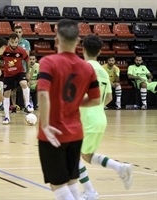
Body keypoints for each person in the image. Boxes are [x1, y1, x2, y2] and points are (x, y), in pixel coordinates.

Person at [37, 19, 101, 200]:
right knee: (72, 182)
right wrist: (74, 103)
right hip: (76, 133)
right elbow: (96, 100)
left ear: (56, 40)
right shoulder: (87, 68)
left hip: (53, 133)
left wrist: (46, 125)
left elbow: (43, 94)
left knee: (58, 186)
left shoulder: (48, 62)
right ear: (78, 42)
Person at [79, 34, 133, 200]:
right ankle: (120, 168)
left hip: (86, 119)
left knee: (71, 158)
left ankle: (90, 192)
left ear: (83, 49)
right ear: (100, 51)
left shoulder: (84, 68)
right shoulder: (103, 71)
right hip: (100, 118)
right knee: (86, 156)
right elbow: (109, 97)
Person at [2, 33, 33, 125]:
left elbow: (27, 61)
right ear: (9, 42)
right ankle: (7, 117)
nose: (14, 44)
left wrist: (27, 72)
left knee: (24, 83)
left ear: (18, 42)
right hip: (8, 74)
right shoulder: (4, 50)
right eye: (12, 42)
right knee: (6, 94)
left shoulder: (21, 50)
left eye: (16, 42)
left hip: (19, 72)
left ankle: (27, 104)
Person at [10, 26, 31, 113]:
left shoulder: (26, 43)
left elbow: (27, 57)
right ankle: (14, 107)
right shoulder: (11, 43)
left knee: (25, 87)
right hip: (13, 70)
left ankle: (27, 105)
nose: (18, 34)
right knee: (13, 89)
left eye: (19, 32)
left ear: (22, 33)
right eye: (16, 32)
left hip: (23, 69)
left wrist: (28, 72)